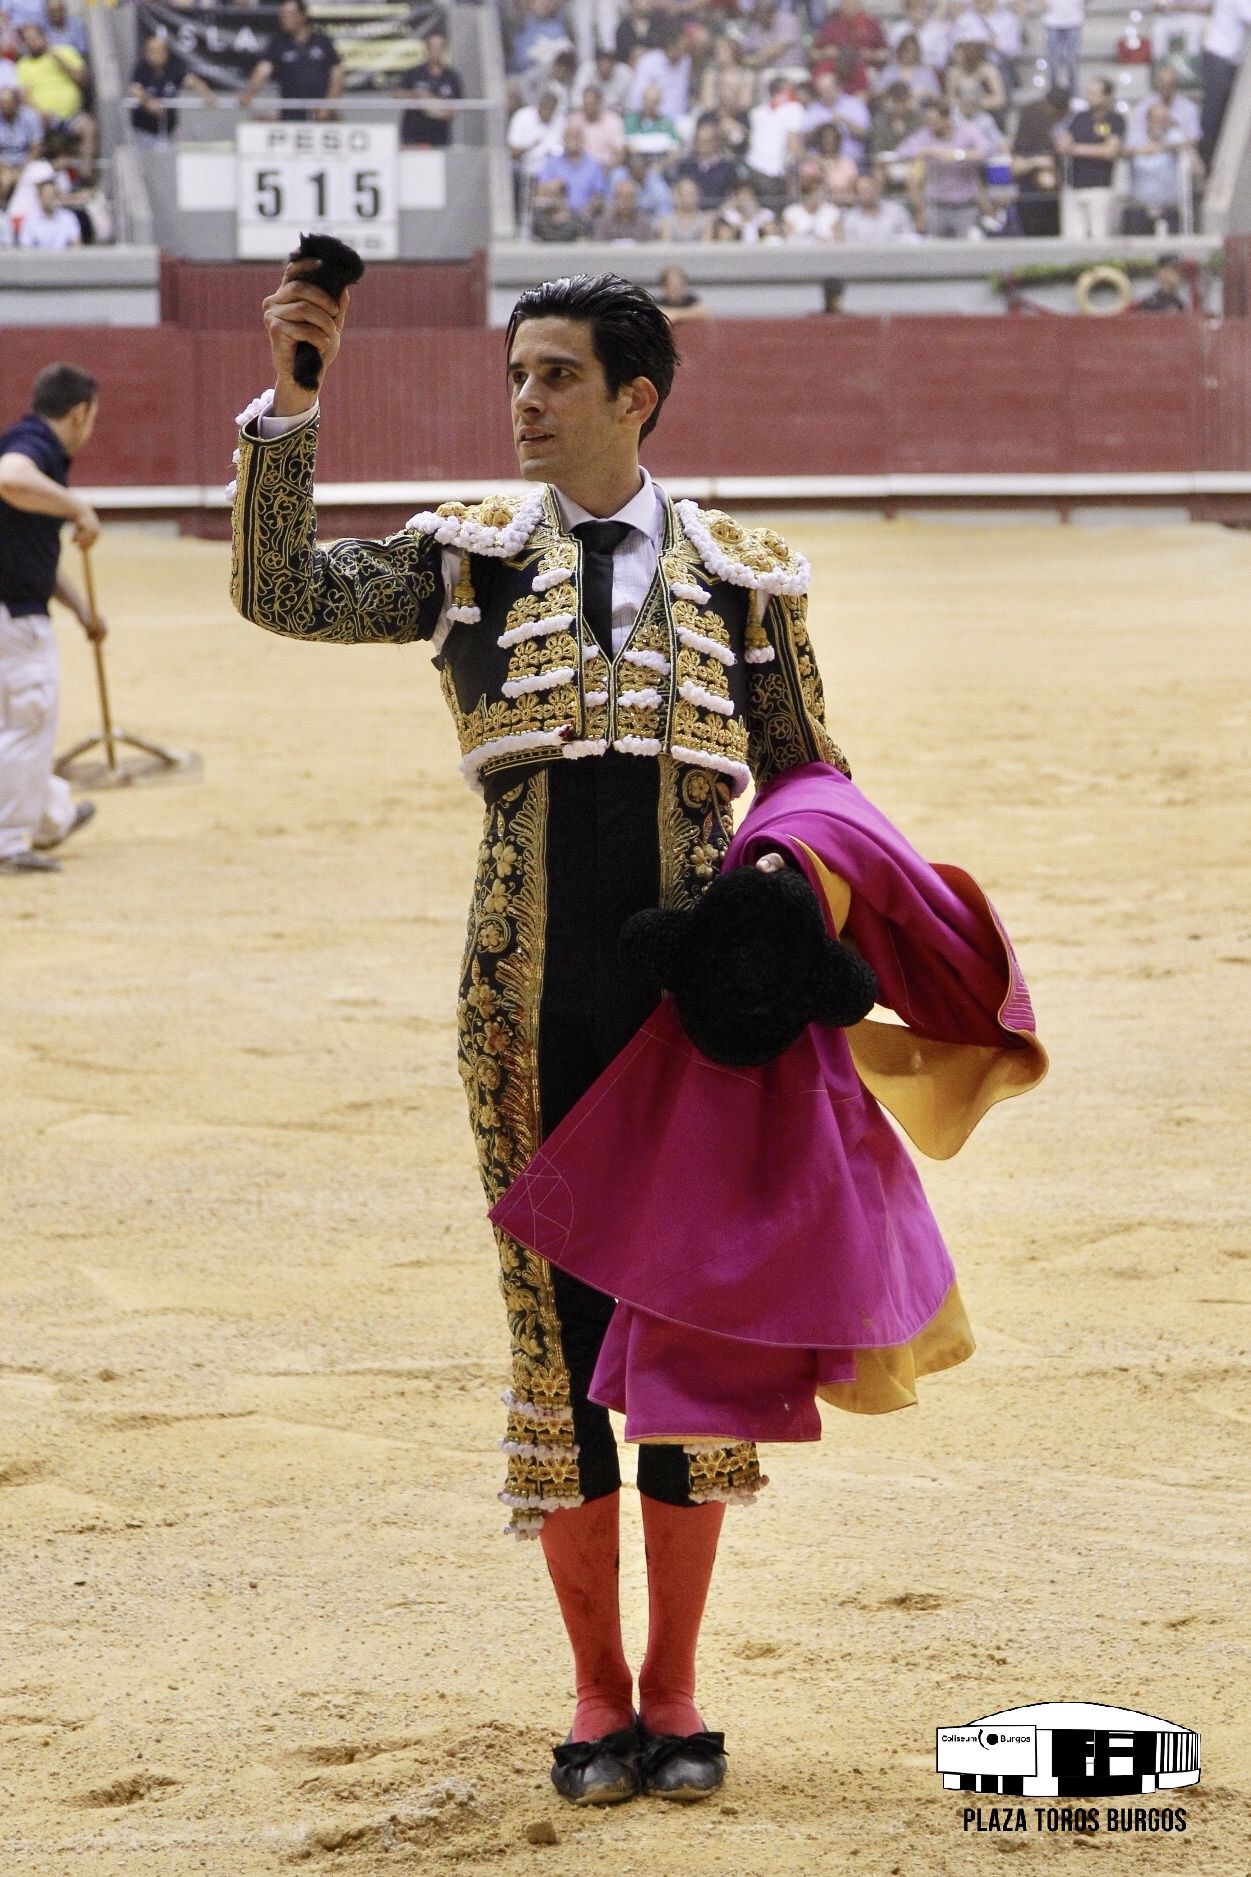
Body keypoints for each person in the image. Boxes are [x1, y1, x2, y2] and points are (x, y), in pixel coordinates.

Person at [230, 261, 856, 1805]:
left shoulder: (740, 578)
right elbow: (280, 589)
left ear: (633, 396)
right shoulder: (470, 559)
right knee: (559, 1336)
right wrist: (292, 407)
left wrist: (792, 923)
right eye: (517, 373)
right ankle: (593, 1689)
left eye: (555, 376)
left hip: (694, 1021)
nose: (522, 401)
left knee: (688, 1337)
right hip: (518, 1000)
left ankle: (677, 1685)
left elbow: (810, 784)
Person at [0, 362, 101, 875]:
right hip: (13, 617)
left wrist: (84, 612)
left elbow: (34, 557)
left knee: (20, 723)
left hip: (13, 605)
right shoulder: (34, 448)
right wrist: (76, 507)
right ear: (79, 412)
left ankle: (48, 817)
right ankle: (10, 841)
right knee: (28, 720)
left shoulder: (30, 444)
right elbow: (9, 479)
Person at [238, 0, 342, 124]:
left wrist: (328, 105)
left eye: (288, 15)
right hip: (291, 114)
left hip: (322, 115)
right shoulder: (278, 43)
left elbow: (337, 75)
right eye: (282, 15)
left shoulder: (322, 41)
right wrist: (249, 93)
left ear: (302, 15)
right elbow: (263, 70)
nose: (284, 19)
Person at [1054, 75, 1125, 242]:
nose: (1089, 97)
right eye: (1088, 93)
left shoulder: (1115, 119)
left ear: (1107, 96)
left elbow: (1110, 151)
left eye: (1095, 93)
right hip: (1074, 187)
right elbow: (1062, 145)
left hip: (1099, 187)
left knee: (1099, 236)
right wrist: (1092, 149)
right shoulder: (1079, 118)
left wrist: (1077, 149)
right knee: (1072, 238)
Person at [15, 21, 93, 171]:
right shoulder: (23, 64)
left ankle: (86, 176)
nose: (32, 42)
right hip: (43, 119)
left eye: (35, 37)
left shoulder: (65, 52)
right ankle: (47, 174)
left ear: (44, 36)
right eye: (27, 40)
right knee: (34, 127)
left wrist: (61, 62)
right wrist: (40, 112)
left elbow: (83, 81)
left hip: (72, 115)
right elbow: (23, 97)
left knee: (89, 126)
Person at [1122, 102, 1202, 234]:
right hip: (1141, 208)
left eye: (1164, 119)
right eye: (1156, 119)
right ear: (1148, 120)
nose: (1160, 123)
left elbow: (1197, 169)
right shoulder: (1135, 138)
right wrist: (1144, 150)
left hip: (1170, 209)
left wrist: (1181, 146)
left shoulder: (1175, 137)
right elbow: (1123, 153)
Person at [127, 30, 216, 143]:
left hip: (168, 133)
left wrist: (205, 93)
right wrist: (147, 101)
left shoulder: (173, 68)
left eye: (160, 50)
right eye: (153, 51)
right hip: (143, 132)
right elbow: (134, 89)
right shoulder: (142, 69)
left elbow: (192, 81)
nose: (157, 54)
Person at [1012, 84, 1068, 235]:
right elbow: (1015, 167)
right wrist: (1037, 161)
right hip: (1031, 196)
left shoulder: (1068, 125)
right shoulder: (1029, 123)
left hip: (1057, 198)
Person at [396, 24, 464, 150]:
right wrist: (418, 96)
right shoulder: (414, 73)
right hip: (413, 139)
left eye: (439, 47)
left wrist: (437, 107)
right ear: (426, 49)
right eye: (433, 47)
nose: (436, 51)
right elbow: (397, 94)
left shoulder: (452, 77)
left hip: (439, 140)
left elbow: (456, 108)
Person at [842, 168, 919, 239]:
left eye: (869, 189)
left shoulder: (897, 211)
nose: (867, 193)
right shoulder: (850, 218)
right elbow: (850, 246)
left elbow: (909, 237)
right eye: (862, 190)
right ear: (856, 194)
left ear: (877, 189)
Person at [16, 167, 75, 243]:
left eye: (52, 196)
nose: (49, 199)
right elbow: (25, 247)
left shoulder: (68, 217)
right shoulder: (30, 219)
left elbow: (76, 245)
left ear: (57, 196)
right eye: (46, 196)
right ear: (40, 197)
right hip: (36, 255)